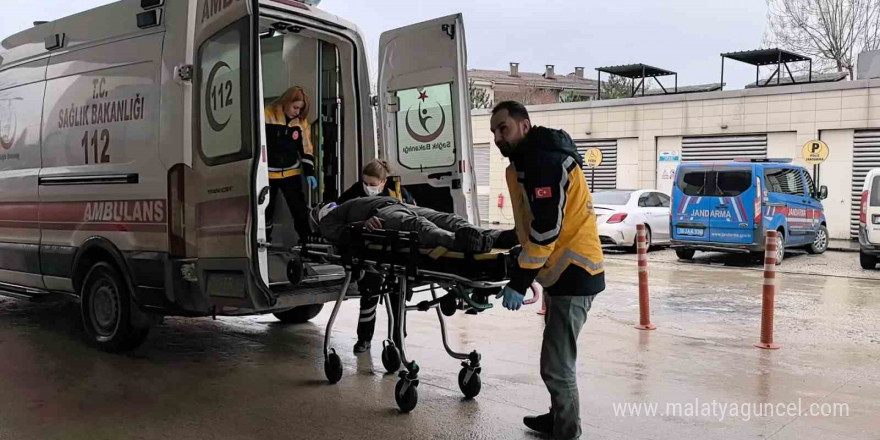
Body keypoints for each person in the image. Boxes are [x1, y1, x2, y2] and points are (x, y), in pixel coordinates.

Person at [489, 101, 605, 440]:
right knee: (556, 355)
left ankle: (566, 431)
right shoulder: (529, 161)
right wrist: (502, 239)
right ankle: (558, 418)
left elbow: (547, 229)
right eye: (494, 131)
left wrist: (520, 281)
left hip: (575, 269)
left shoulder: (545, 161)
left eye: (503, 128)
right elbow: (532, 223)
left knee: (556, 364)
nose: (498, 137)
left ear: (524, 126)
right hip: (561, 271)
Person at [337, 159, 416, 353]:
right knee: (370, 293)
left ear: (383, 182)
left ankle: (398, 340)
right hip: (369, 251)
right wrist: (361, 222)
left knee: (399, 295)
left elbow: (413, 212)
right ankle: (364, 339)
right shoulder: (355, 192)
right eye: (365, 183)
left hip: (395, 250)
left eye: (373, 185)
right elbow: (338, 212)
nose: (368, 188)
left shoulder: (397, 193)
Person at [312, 197, 498, 254]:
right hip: (379, 216)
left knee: (448, 219)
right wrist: (363, 225)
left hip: (396, 204)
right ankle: (456, 242)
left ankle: (495, 236)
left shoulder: (344, 206)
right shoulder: (327, 221)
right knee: (418, 224)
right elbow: (343, 234)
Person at [264, 86, 317, 244]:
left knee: (299, 209)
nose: (297, 112)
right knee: (267, 211)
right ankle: (264, 242)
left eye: (300, 109)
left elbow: (306, 149)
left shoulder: (301, 123)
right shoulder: (266, 115)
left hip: (291, 173)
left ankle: (307, 242)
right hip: (267, 174)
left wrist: (309, 173)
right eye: (295, 107)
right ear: (286, 102)